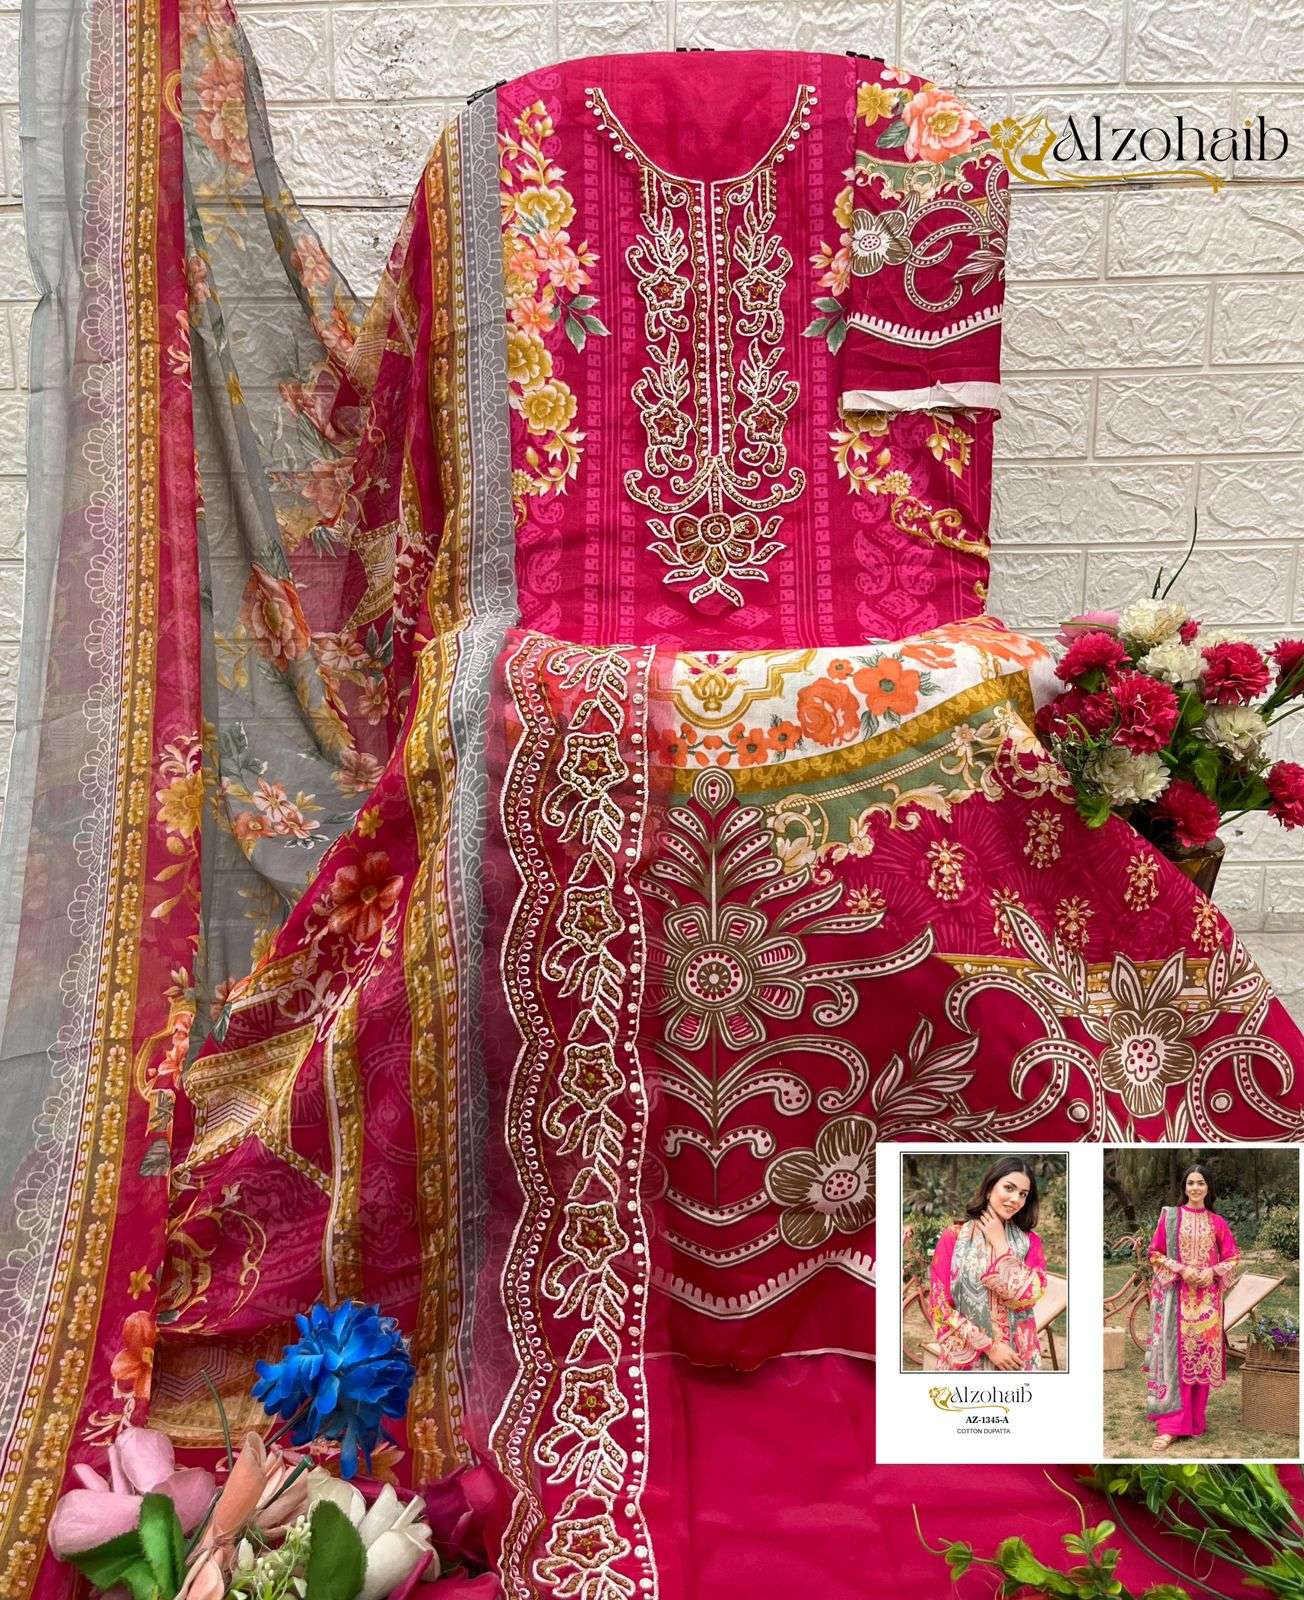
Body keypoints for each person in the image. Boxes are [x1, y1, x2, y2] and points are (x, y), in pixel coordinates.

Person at [5, 23, 1304, 1599]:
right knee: (547, 717)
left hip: (883, 642)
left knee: (991, 785)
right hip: (562, 644)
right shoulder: (501, 161)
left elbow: (923, 503)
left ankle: (1077, 1365)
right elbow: (428, 496)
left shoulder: (915, 142)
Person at [1145, 1163, 1241, 1449]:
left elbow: (1233, 1257)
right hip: (1177, 1300)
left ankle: (1195, 1421)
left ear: (1208, 1187)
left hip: (1207, 1303)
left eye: (1201, 1183)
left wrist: (1212, 1271)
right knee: (1176, 1359)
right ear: (1184, 1187)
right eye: (1191, 1183)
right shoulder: (1170, 1217)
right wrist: (1181, 1269)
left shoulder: (1217, 1222)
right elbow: (1155, 1253)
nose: (1195, 1188)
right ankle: (1172, 1426)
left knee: (1200, 1359)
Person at [927, 1156, 1049, 1371]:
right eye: (1009, 1188)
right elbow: (939, 1305)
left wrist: (1000, 1244)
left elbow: (1029, 1298)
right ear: (989, 1189)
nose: (1016, 1199)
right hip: (967, 1358)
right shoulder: (954, 1237)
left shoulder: (1030, 1242)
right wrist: (990, 1347)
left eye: (1023, 1194)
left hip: (1018, 1359)